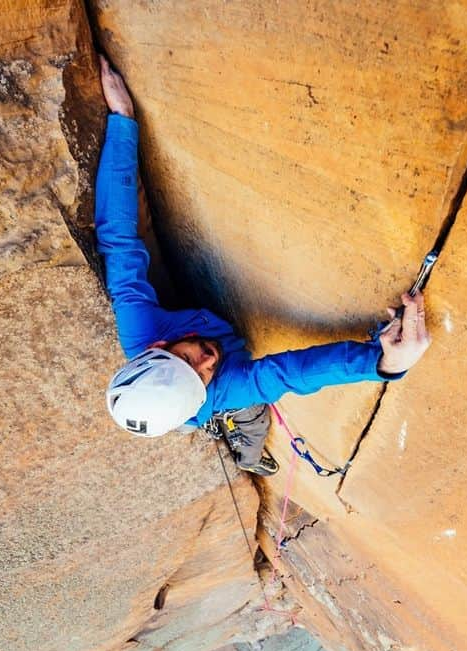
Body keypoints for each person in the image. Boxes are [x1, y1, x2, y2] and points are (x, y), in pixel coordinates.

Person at [96, 56, 431, 476]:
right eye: (203, 374)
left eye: (190, 357)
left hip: (188, 388)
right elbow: (287, 374)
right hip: (216, 404)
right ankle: (248, 458)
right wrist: (382, 365)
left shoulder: (140, 330)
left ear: (158, 347)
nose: (208, 360)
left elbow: (119, 241)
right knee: (252, 419)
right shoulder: (218, 389)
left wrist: (123, 122)